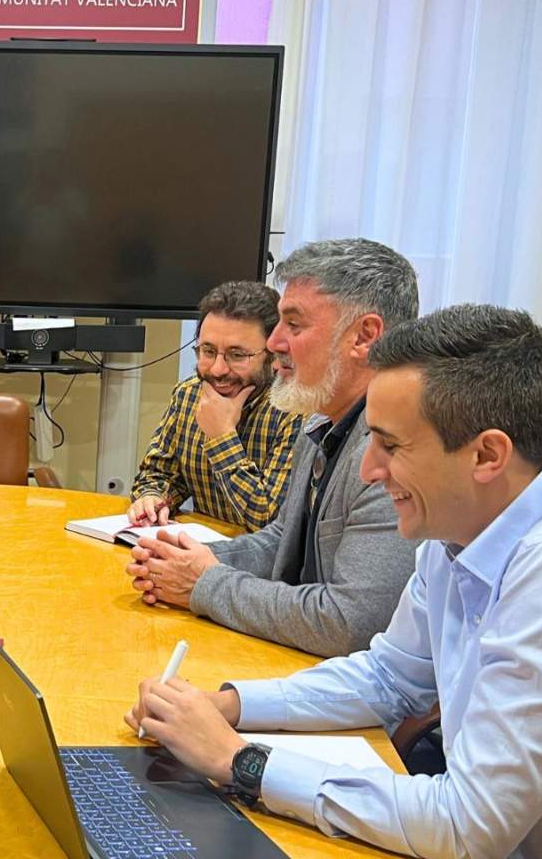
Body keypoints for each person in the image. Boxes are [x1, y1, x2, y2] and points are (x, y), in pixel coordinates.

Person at [126, 304, 542, 859]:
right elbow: (390, 677)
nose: (369, 469)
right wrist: (230, 705)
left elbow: (469, 824)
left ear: (486, 454)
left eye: (391, 445)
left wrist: (242, 762)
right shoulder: (465, 520)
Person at [126, 238, 419, 657]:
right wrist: (182, 559)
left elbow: (349, 626)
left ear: (364, 336)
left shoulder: (397, 453)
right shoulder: (321, 420)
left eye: (294, 325)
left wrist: (205, 583)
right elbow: (283, 541)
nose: (276, 343)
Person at [128, 280, 303, 532]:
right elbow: (158, 474)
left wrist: (222, 438)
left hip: (262, 566)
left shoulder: (296, 410)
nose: (218, 369)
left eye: (237, 355)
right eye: (208, 351)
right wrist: (153, 498)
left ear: (274, 355)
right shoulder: (188, 395)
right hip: (198, 551)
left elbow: (269, 521)